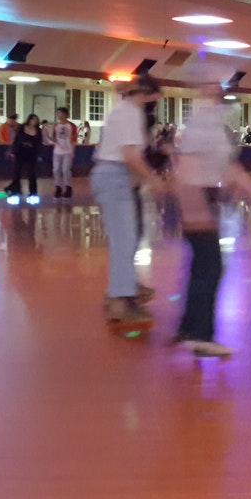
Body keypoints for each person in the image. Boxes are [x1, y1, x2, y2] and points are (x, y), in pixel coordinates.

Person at [167, 65, 251, 356]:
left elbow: (229, 166)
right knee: (210, 266)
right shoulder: (201, 121)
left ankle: (189, 327)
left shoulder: (213, 120)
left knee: (202, 265)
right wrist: (195, 211)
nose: (217, 88)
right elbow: (185, 169)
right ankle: (201, 336)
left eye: (218, 83)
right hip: (197, 199)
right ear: (200, 88)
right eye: (210, 83)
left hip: (205, 198)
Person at [93, 76, 166, 331]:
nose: (154, 104)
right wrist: (152, 178)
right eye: (155, 99)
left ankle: (124, 289)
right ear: (148, 95)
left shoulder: (123, 110)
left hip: (114, 176)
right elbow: (130, 155)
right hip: (114, 176)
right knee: (124, 241)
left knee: (127, 238)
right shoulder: (131, 113)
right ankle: (120, 300)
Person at [5, 114, 43, 200]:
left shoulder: (38, 130)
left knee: (31, 173)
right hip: (20, 152)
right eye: (32, 120)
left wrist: (39, 154)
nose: (34, 122)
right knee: (17, 172)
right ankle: (16, 190)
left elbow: (39, 143)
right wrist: (13, 151)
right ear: (29, 120)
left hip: (31, 154)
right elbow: (17, 140)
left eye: (36, 120)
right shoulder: (22, 128)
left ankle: (33, 192)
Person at [49, 106, 78, 199]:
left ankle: (68, 187)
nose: (58, 115)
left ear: (65, 114)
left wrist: (72, 150)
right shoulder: (56, 126)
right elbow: (53, 138)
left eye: (59, 113)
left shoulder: (71, 126)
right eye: (57, 113)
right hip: (57, 151)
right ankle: (58, 187)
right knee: (56, 169)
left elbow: (74, 139)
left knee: (66, 170)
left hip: (68, 151)